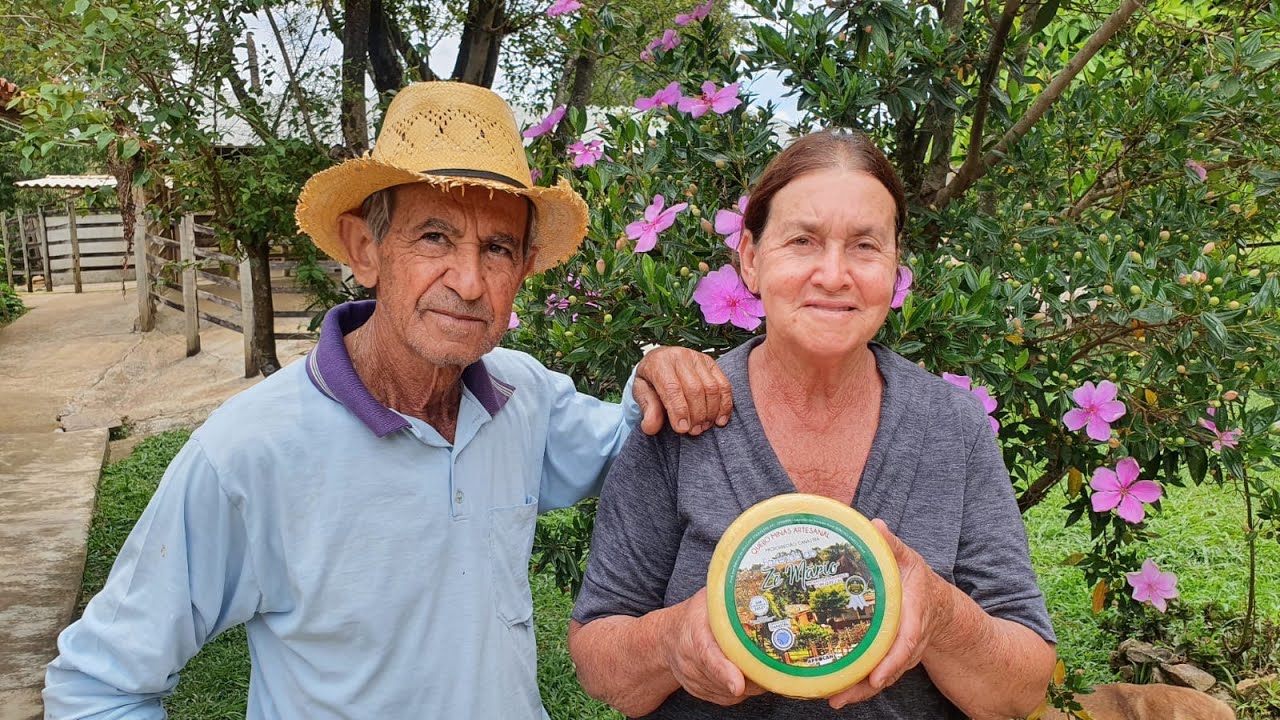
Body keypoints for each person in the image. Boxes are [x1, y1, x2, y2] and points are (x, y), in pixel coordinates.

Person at [42, 82, 734, 719]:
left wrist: (661, 369)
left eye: (497, 248)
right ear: (365, 250)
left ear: (523, 270)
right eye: (434, 236)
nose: (468, 281)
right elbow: (98, 686)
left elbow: (635, 440)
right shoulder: (250, 454)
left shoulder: (524, 399)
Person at [567, 129, 1057, 719]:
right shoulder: (684, 414)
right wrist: (672, 642)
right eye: (803, 240)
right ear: (749, 259)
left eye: (865, 246)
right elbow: (599, 659)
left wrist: (942, 617)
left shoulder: (951, 426)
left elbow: (1021, 689)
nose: (833, 274)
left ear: (896, 269)